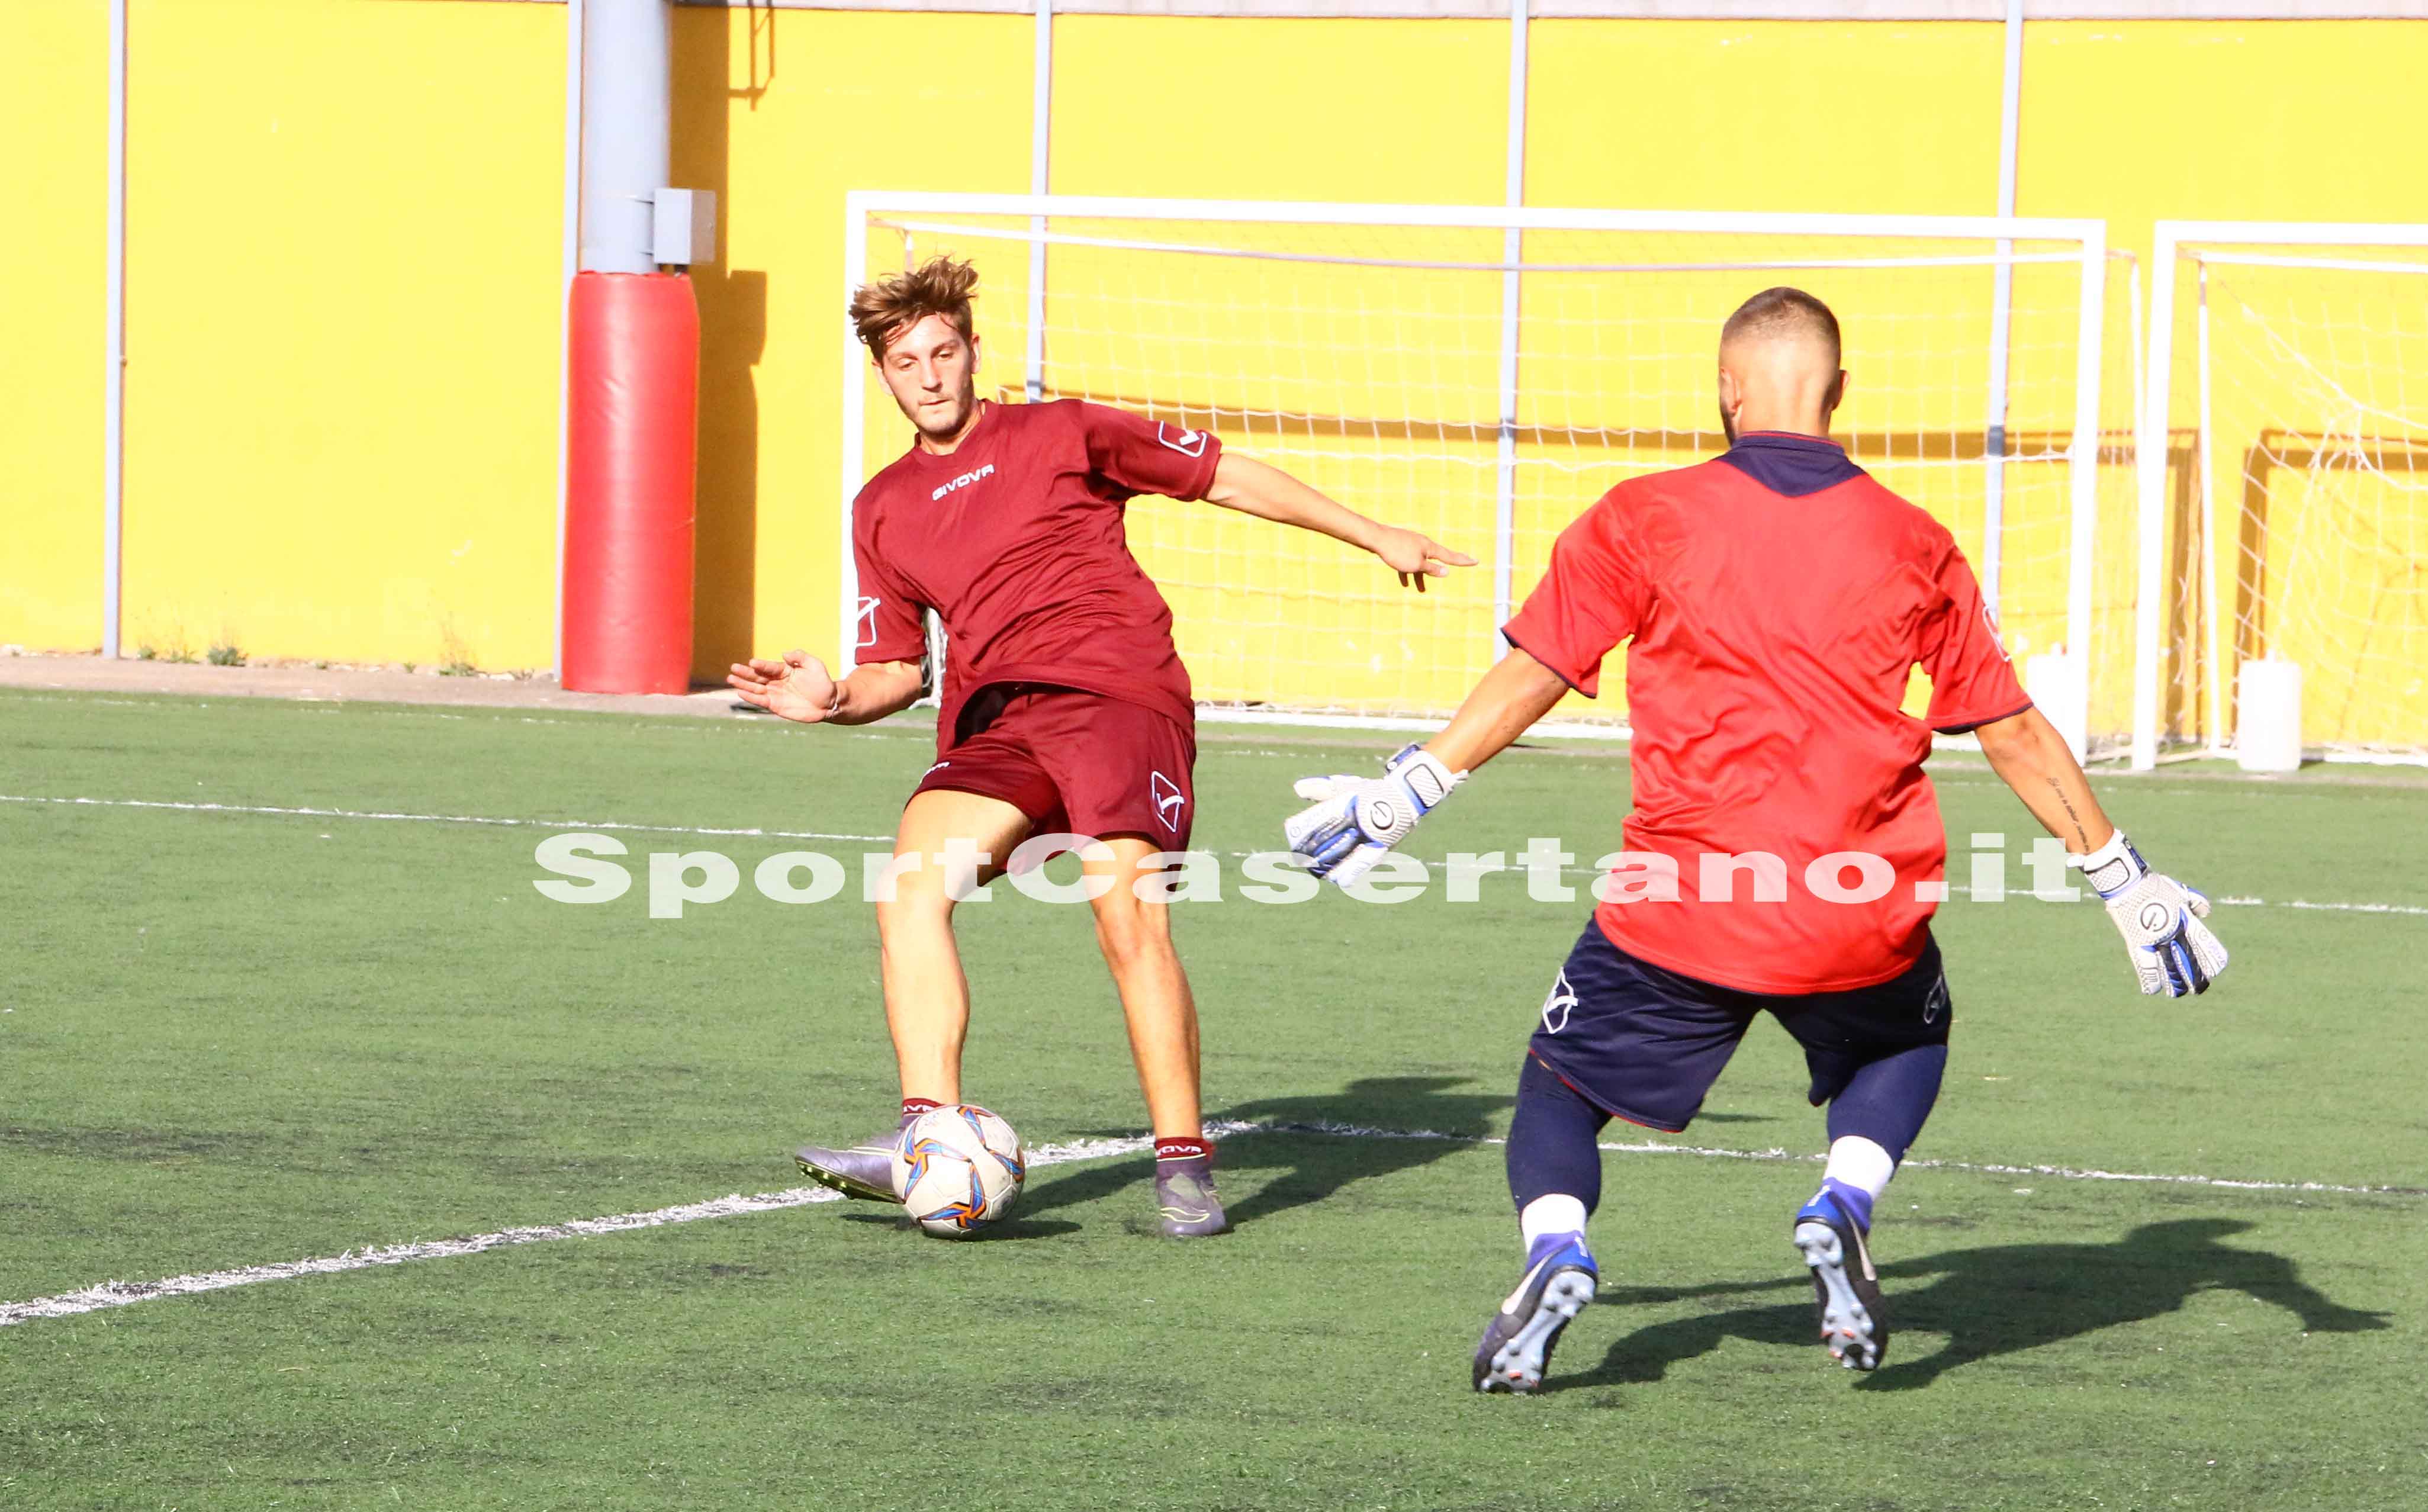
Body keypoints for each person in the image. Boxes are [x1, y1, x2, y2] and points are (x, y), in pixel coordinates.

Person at [1282, 287, 2229, 1389]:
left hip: (1677, 909)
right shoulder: (1916, 540)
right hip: (1856, 904)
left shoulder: (1644, 513)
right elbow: (2010, 729)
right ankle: (1845, 1197)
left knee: (1557, 1090)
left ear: (1727, 388)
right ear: (1840, 393)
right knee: (1903, 1040)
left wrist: (1402, 795)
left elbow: (1537, 669)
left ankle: (1557, 1249)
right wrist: (2124, 881)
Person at [732, 255, 1473, 1238]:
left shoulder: (1065, 429)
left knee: (1126, 917)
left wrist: (1374, 532)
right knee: (907, 887)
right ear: (883, 373)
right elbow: (897, 670)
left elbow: (1223, 475)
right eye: (906, 360)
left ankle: (1183, 1164)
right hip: (1000, 719)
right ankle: (927, 1132)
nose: (930, 375)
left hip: (1121, 696)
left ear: (972, 351)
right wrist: (828, 700)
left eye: (944, 351)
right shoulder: (881, 507)